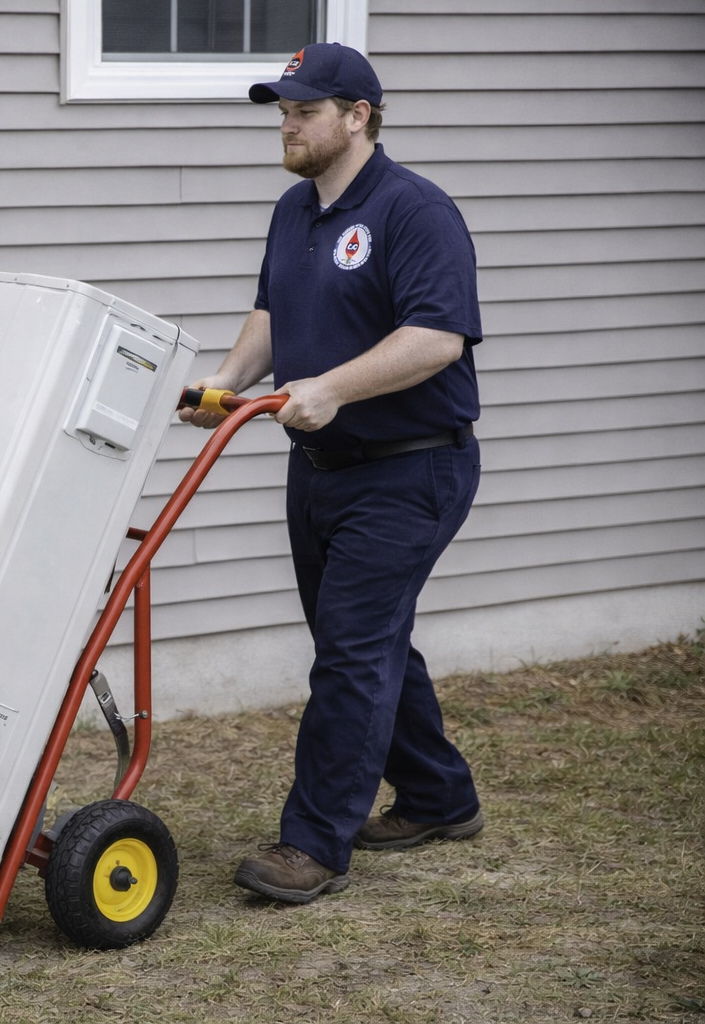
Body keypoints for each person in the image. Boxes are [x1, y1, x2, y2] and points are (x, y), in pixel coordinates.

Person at [179, 42, 485, 904]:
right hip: (317, 469)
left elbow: (437, 338)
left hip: (411, 468)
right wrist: (226, 385)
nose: (287, 122)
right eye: (281, 109)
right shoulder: (292, 210)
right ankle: (438, 796)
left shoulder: (414, 211)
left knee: (350, 653)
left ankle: (311, 843)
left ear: (358, 117)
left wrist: (334, 388)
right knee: (362, 641)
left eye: (304, 110)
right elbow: (273, 311)